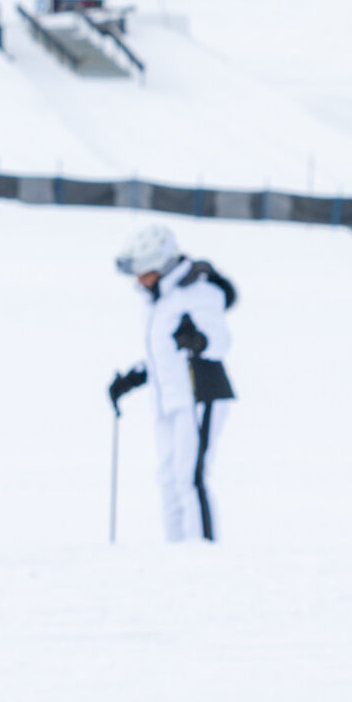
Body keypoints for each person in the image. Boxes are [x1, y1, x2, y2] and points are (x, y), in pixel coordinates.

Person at [106, 224, 236, 543]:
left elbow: (219, 342)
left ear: (158, 263)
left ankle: (202, 552)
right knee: (167, 479)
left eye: (141, 270)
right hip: (169, 399)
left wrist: (198, 340)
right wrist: (133, 378)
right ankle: (176, 552)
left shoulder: (198, 290)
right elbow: (162, 356)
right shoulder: (158, 300)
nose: (137, 278)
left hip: (200, 393)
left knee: (189, 478)